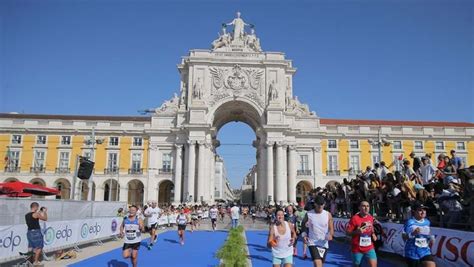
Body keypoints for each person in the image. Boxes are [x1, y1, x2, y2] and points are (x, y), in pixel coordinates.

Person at [301, 196, 334, 267]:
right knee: (317, 263)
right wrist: (304, 235)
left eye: (322, 204)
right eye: (318, 204)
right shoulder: (309, 214)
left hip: (323, 243)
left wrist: (330, 235)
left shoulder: (328, 214)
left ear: (324, 204)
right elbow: (303, 224)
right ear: (315, 204)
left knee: (320, 264)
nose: (320, 206)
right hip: (313, 242)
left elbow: (331, 228)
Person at [402, 202, 436, 267]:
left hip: (425, 251)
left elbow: (427, 234)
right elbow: (404, 236)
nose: (423, 212)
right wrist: (413, 234)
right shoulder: (410, 222)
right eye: (420, 210)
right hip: (412, 252)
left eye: (424, 210)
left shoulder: (427, 222)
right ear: (414, 211)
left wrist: (431, 238)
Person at [346, 201, 377, 267]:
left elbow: (371, 228)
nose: (366, 208)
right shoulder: (354, 218)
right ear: (359, 208)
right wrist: (357, 232)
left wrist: (373, 234)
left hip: (369, 247)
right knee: (357, 265)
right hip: (357, 248)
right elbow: (347, 232)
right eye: (363, 206)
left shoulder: (370, 217)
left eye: (368, 206)